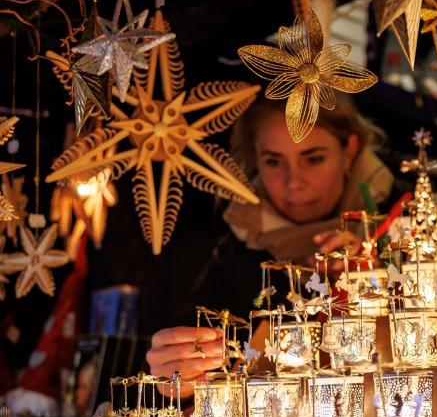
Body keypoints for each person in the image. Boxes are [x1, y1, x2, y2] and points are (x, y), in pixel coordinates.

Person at [146, 95, 404, 397]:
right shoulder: (239, 245)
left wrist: (375, 275)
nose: (293, 181)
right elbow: (191, 360)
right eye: (273, 161)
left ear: (349, 150)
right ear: (255, 159)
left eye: (313, 158)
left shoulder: (406, 222)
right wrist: (176, 373)